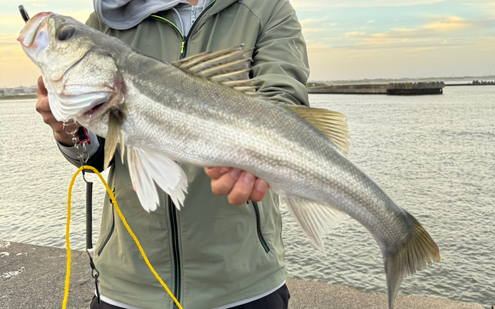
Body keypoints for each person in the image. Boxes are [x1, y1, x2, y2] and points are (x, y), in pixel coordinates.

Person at [35, 0, 310, 308]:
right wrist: (67, 129)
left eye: (64, 36)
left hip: (242, 283)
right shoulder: (106, 21)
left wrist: (261, 152)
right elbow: (97, 156)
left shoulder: (266, 8)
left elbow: (285, 102)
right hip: (127, 284)